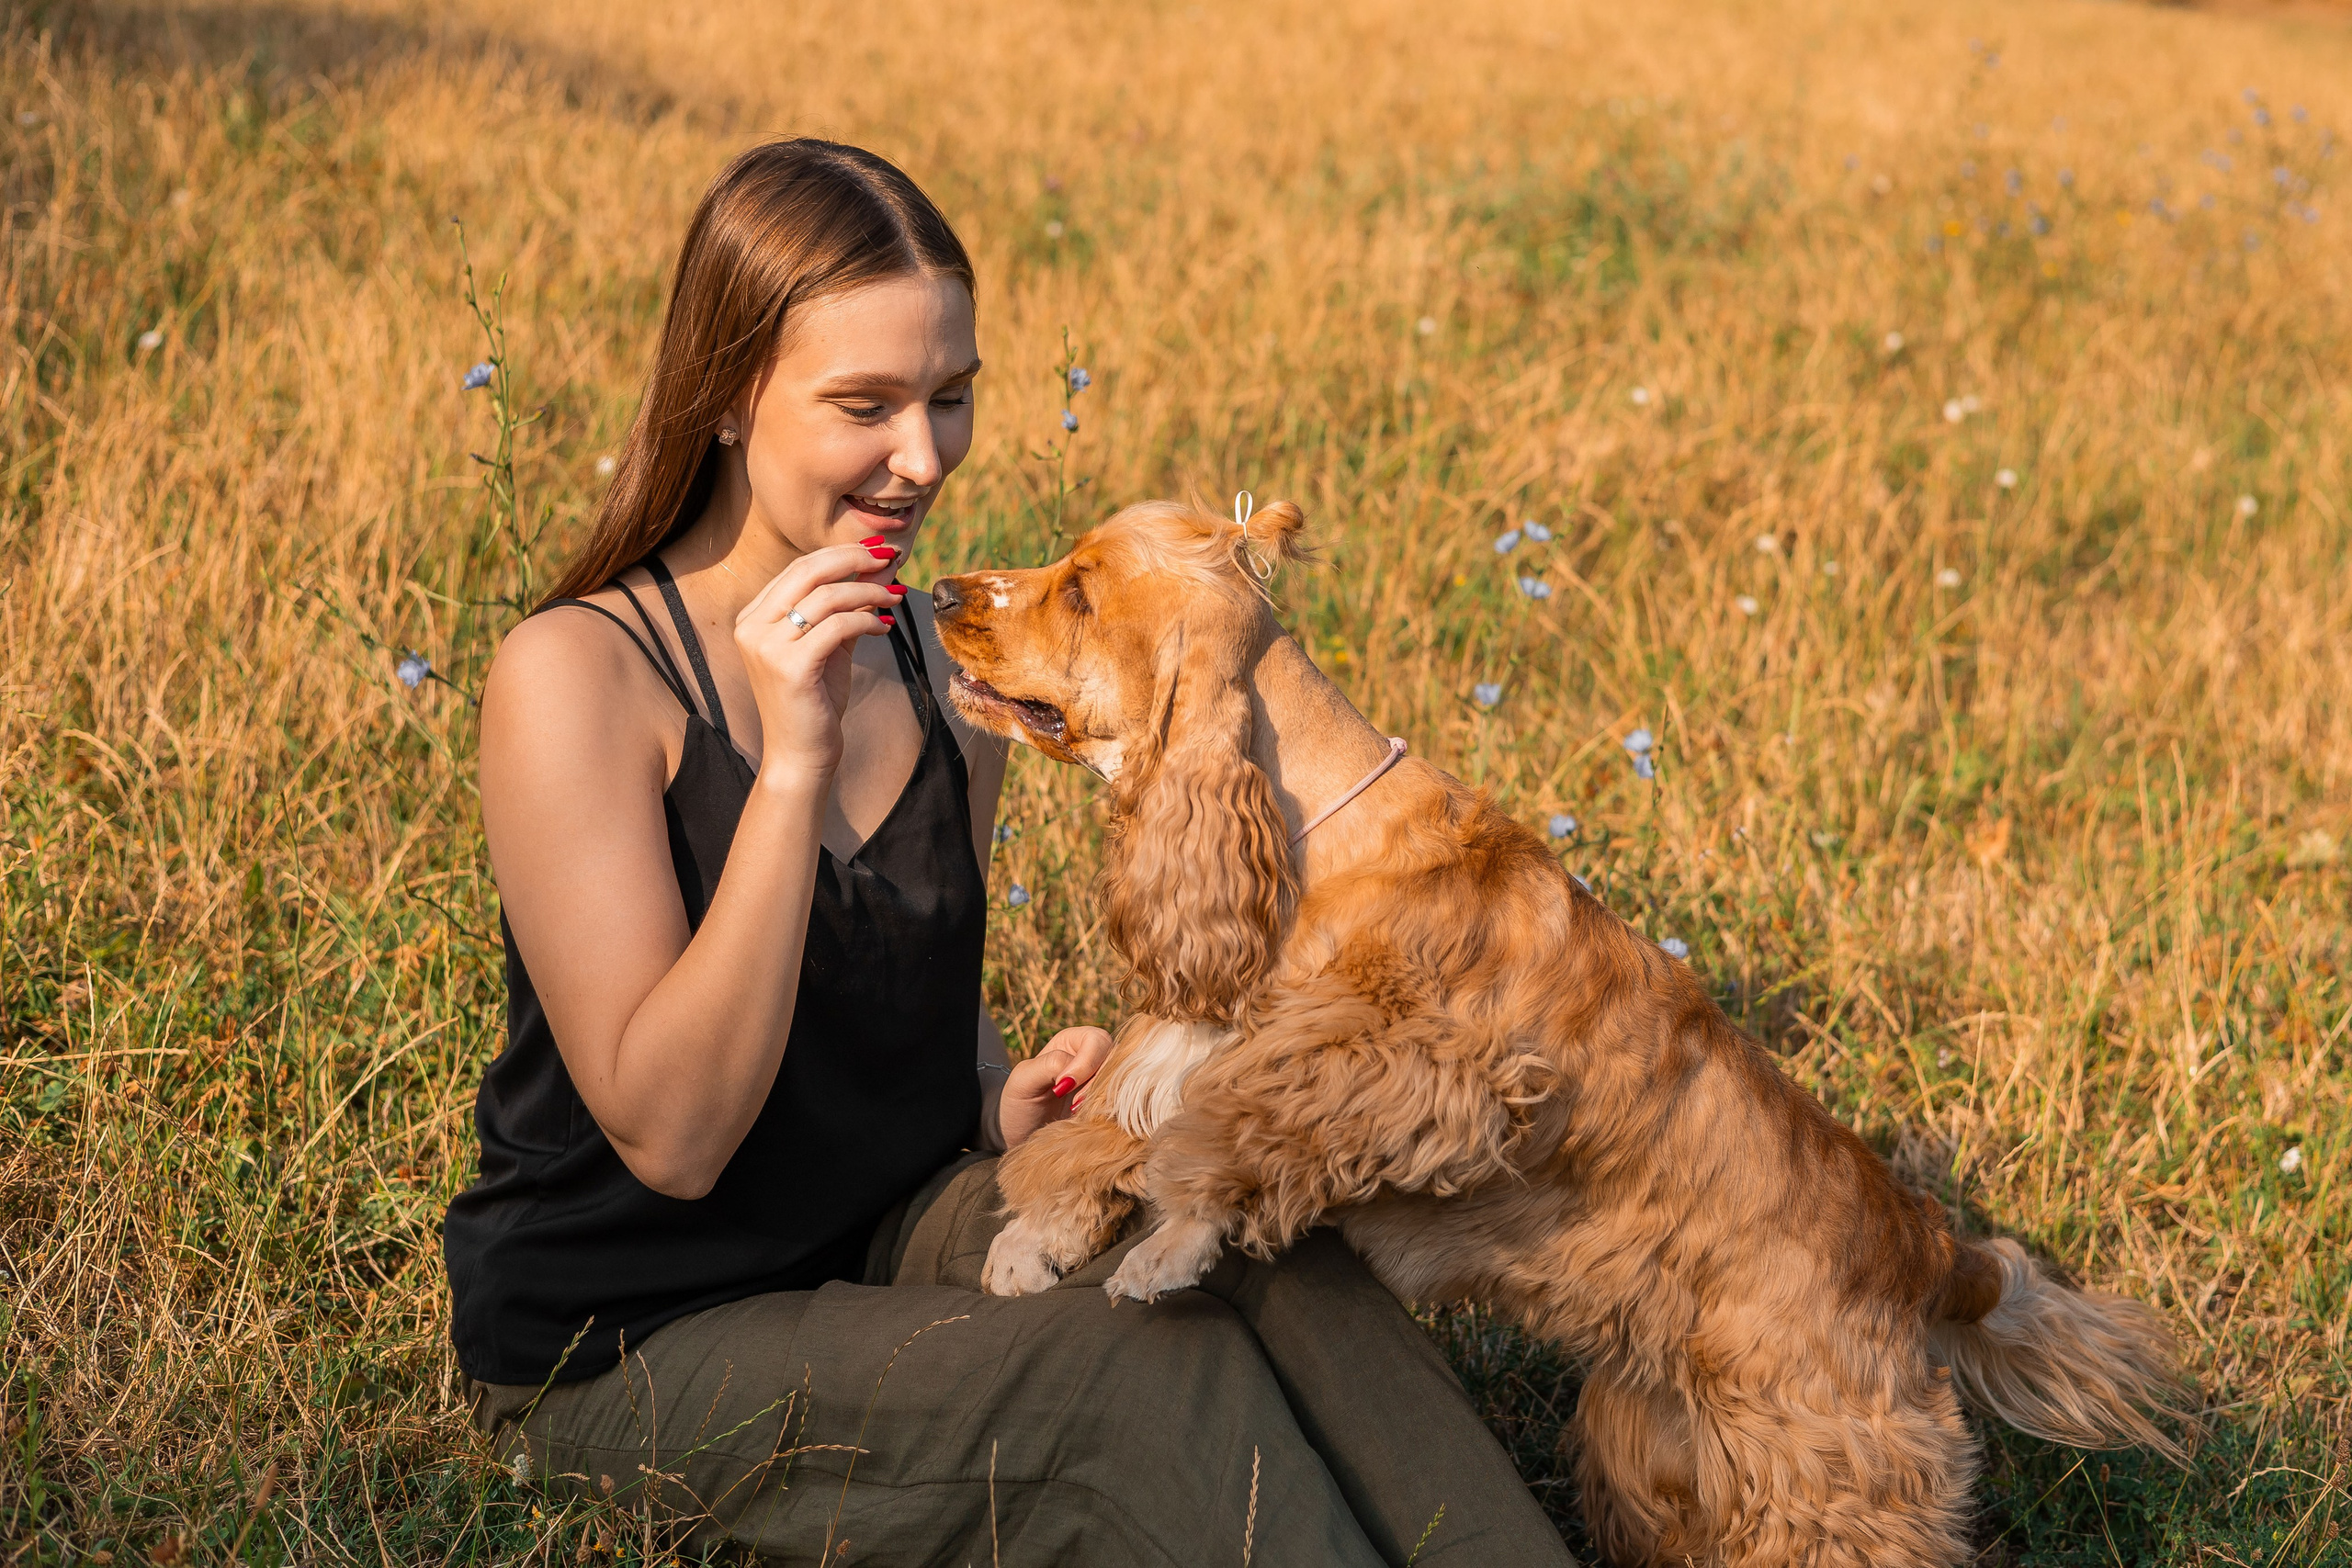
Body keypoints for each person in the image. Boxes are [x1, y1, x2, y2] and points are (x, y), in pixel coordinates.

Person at [444, 137, 1575, 1567]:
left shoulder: (939, 671)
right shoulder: (581, 678)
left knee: (1259, 1254)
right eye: (866, 404)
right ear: (728, 396)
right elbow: (674, 1136)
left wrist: (997, 1097)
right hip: (634, 1339)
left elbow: (904, 981)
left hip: (887, 1226)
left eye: (952, 397)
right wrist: (792, 764)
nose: (923, 459)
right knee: (1137, 1376)